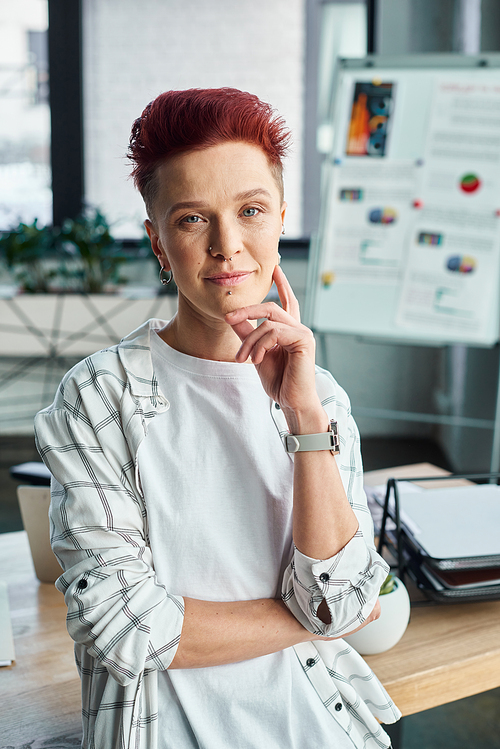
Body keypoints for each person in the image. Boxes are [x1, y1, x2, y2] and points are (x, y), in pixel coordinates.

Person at [35, 88, 401, 749]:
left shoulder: (322, 397)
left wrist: (303, 418)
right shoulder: (96, 399)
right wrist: (315, 620)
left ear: (281, 218)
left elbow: (344, 601)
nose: (228, 247)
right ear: (157, 242)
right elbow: (120, 623)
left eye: (251, 211)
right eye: (193, 220)